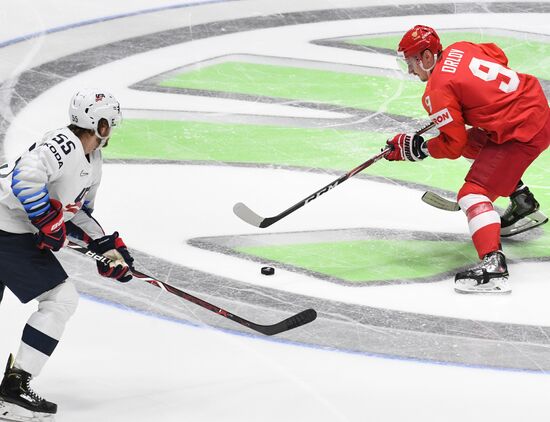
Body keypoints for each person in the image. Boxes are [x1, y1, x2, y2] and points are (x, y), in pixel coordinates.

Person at [385, 25, 550, 294]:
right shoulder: (461, 48)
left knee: (472, 194)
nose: (411, 71)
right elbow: (498, 57)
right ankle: (522, 201)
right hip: (536, 107)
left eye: (412, 62)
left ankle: (493, 265)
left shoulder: (436, 91)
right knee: (473, 146)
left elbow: (452, 145)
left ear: (427, 57)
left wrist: (418, 150)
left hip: (520, 133)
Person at [0, 89, 134, 417]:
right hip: (6, 229)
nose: (111, 130)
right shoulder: (64, 144)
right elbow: (26, 178)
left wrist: (107, 247)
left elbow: (78, 214)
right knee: (61, 299)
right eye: (108, 124)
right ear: (99, 124)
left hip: (11, 228)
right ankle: (13, 391)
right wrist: (47, 221)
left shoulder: (93, 161)